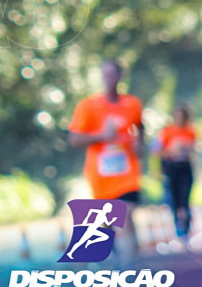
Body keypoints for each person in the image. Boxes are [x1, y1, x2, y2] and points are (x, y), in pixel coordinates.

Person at [68, 60, 144, 259]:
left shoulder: (132, 104)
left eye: (113, 74)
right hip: (101, 176)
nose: (109, 78)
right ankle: (125, 259)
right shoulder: (88, 106)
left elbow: (140, 126)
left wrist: (139, 143)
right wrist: (101, 136)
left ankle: (128, 271)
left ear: (120, 76)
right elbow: (74, 138)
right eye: (105, 74)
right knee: (116, 223)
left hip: (128, 173)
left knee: (124, 216)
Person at [154, 104, 196, 240]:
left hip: (185, 168)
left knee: (184, 198)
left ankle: (186, 227)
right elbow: (157, 151)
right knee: (174, 199)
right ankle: (177, 227)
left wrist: (186, 149)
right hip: (172, 169)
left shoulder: (190, 131)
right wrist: (171, 152)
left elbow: (193, 150)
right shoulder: (166, 132)